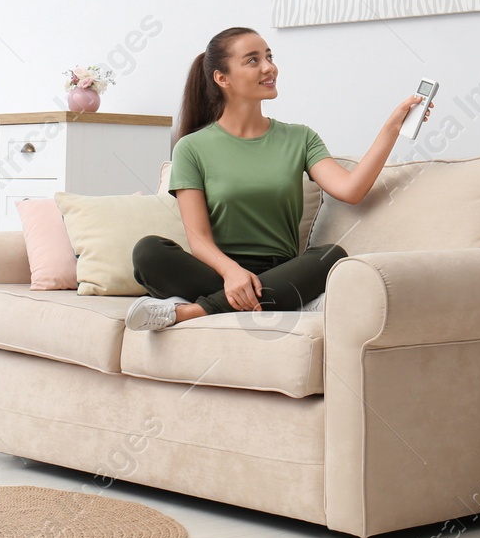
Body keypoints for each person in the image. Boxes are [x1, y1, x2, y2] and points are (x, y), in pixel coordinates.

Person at [124, 26, 432, 331]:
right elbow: (199, 239)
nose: (270, 67)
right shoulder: (191, 147)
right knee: (148, 252)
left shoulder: (300, 138)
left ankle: (194, 310)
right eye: (253, 60)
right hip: (219, 271)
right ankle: (286, 302)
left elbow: (350, 190)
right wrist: (232, 273)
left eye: (269, 57)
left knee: (331, 256)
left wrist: (391, 129)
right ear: (222, 78)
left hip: (281, 270)